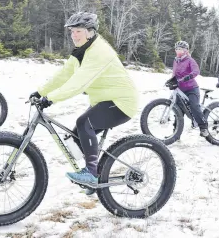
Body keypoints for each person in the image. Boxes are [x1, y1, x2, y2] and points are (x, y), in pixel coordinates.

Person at [29, 12, 138, 188]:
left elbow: (78, 84)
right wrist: (40, 91)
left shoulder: (99, 51)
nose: (73, 35)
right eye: (72, 31)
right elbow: (64, 74)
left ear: (90, 31)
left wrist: (51, 99)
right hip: (105, 101)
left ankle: (91, 174)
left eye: (78, 31)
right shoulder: (83, 50)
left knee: (84, 123)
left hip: (121, 103)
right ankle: (92, 177)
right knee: (76, 138)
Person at [165, 40, 209, 137]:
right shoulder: (176, 60)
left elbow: (196, 71)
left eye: (180, 49)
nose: (178, 51)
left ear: (186, 50)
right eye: (176, 49)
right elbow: (175, 74)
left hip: (191, 88)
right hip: (180, 89)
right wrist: (171, 80)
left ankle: (204, 128)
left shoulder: (190, 60)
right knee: (178, 111)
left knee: (194, 106)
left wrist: (188, 77)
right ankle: (175, 134)